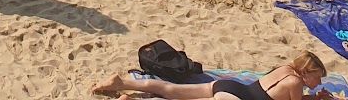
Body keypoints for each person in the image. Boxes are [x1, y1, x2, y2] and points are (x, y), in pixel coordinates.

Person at [93, 51, 329, 98]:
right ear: (308, 72)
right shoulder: (295, 82)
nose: (318, 83)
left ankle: (122, 82)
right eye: (317, 77)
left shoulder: (286, 68)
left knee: (172, 90)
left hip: (231, 87)